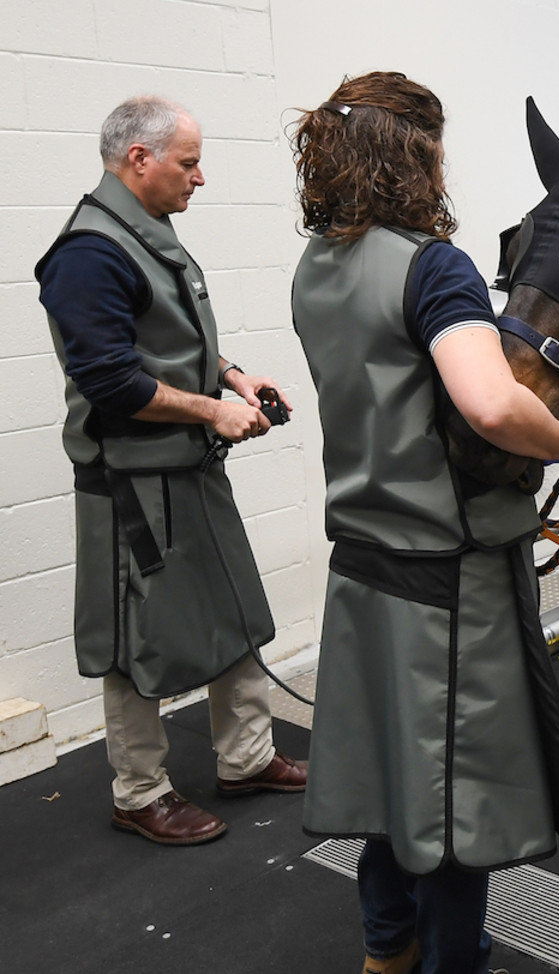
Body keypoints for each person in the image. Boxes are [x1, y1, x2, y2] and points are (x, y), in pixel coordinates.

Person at [290, 72, 559, 974]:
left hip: (364, 565)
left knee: (396, 778)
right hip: (448, 578)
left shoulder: (317, 265)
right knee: (459, 800)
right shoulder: (433, 267)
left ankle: (387, 949)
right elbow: (494, 408)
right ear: (417, 154)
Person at [35, 95, 307, 847]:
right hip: (133, 484)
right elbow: (113, 382)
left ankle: (246, 758)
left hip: (188, 469)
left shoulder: (145, 232)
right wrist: (212, 412)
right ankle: (139, 791)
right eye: (188, 163)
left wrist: (234, 378)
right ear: (139, 160)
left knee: (234, 610)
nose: (200, 178)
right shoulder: (88, 253)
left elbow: (168, 336)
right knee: (134, 641)